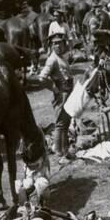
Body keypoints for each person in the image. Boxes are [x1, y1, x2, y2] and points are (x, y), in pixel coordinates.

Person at [30, 32, 76, 165]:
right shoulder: (52, 59)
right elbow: (41, 78)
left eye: (60, 43)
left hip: (68, 93)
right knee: (60, 124)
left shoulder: (61, 56)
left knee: (66, 123)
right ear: (51, 45)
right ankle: (59, 153)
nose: (58, 45)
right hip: (61, 95)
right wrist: (54, 89)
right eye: (55, 43)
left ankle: (65, 151)